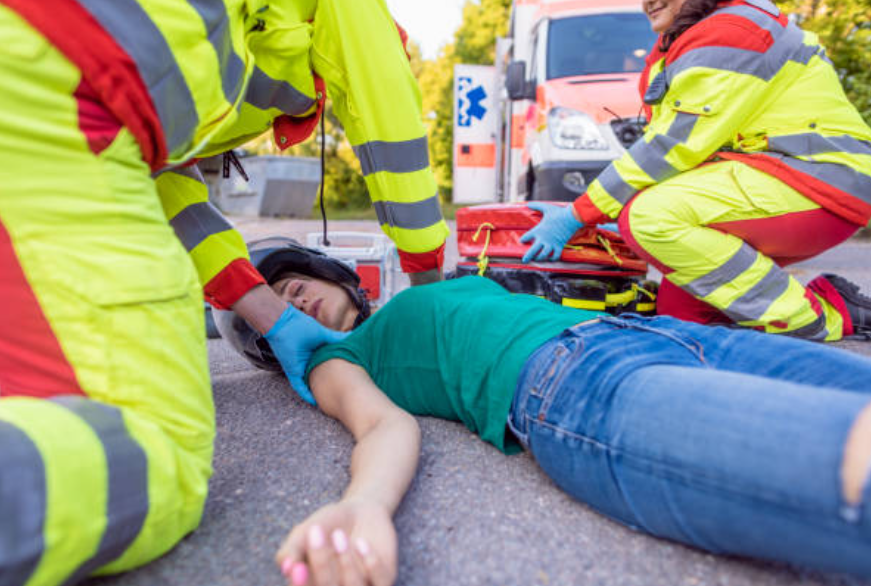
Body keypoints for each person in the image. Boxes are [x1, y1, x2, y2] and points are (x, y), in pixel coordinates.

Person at [0, 1, 448, 584]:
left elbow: (164, 178)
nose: (304, 308)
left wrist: (267, 310)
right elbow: (387, 118)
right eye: (292, 292)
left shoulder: (231, 46)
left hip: (49, 84)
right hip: (63, 76)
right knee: (159, 449)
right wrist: (428, 284)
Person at [218, 242, 871, 585]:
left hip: (652, 334)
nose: (293, 300)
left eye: (294, 282)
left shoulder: (417, 294)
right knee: (844, 460)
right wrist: (363, 505)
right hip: (570, 385)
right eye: (277, 306)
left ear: (329, 273)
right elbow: (383, 426)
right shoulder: (334, 362)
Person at [520, 0, 871, 343]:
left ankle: (821, 316)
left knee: (650, 218)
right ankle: (776, 324)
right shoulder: (692, 34)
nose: (649, 2)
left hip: (820, 180)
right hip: (780, 175)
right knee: (681, 319)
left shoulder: (731, 31)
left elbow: (670, 147)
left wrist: (578, 214)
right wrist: (610, 217)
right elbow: (687, 154)